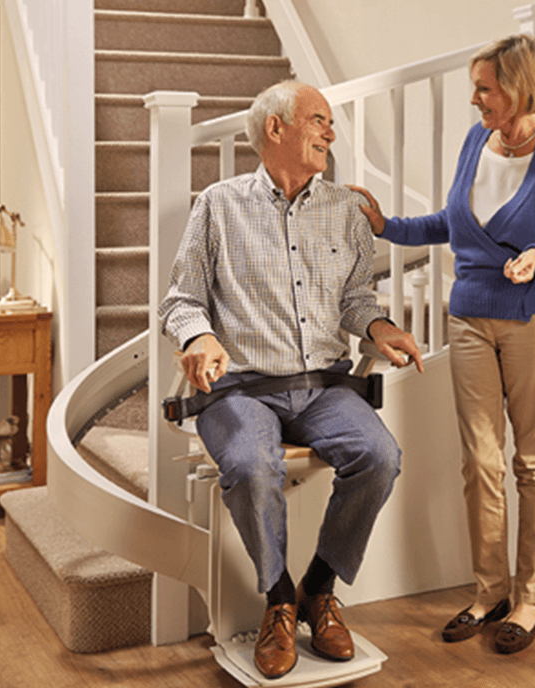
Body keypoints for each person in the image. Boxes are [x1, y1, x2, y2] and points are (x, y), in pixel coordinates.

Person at [158, 80, 423, 680]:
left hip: (324, 387)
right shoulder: (218, 205)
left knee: (379, 455)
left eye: (330, 123)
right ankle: (278, 600)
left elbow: (357, 298)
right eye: (319, 121)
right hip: (239, 389)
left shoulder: (344, 210)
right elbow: (180, 301)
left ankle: (318, 588)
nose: (331, 133)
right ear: (276, 129)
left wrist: (379, 328)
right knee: (253, 466)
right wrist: (198, 338)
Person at [351, 34, 535, 655]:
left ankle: (531, 597)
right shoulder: (474, 141)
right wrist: (387, 226)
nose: (475, 99)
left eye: (485, 88)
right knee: (479, 462)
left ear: (519, 87)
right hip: (469, 317)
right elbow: (451, 223)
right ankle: (489, 591)